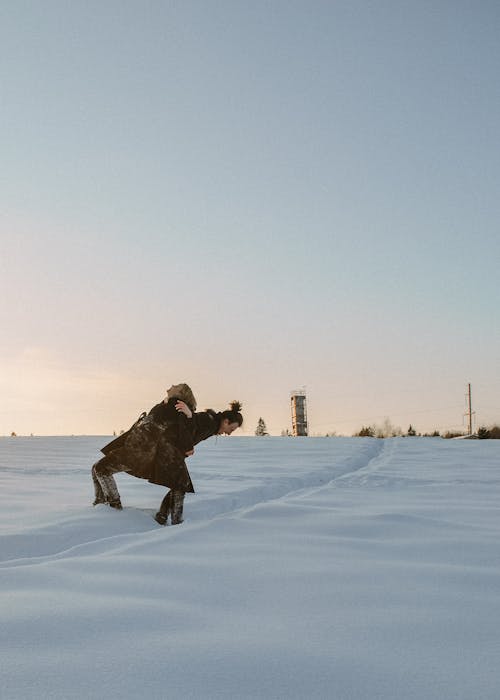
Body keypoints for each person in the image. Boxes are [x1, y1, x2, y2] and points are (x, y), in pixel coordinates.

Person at [91, 383, 197, 511]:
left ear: (180, 393)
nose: (172, 385)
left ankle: (114, 506)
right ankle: (100, 503)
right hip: (135, 448)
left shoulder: (176, 406)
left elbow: (185, 432)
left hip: (139, 452)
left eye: (176, 386)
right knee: (97, 468)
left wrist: (189, 414)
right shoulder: (167, 405)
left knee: (100, 468)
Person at [154, 400, 243, 526]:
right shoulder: (210, 421)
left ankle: (162, 516)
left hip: (172, 449)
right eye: (231, 429)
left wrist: (186, 448)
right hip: (169, 447)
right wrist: (188, 444)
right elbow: (187, 424)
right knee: (181, 484)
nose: (229, 433)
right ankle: (176, 521)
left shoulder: (212, 423)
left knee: (179, 485)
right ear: (226, 421)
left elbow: (192, 427)